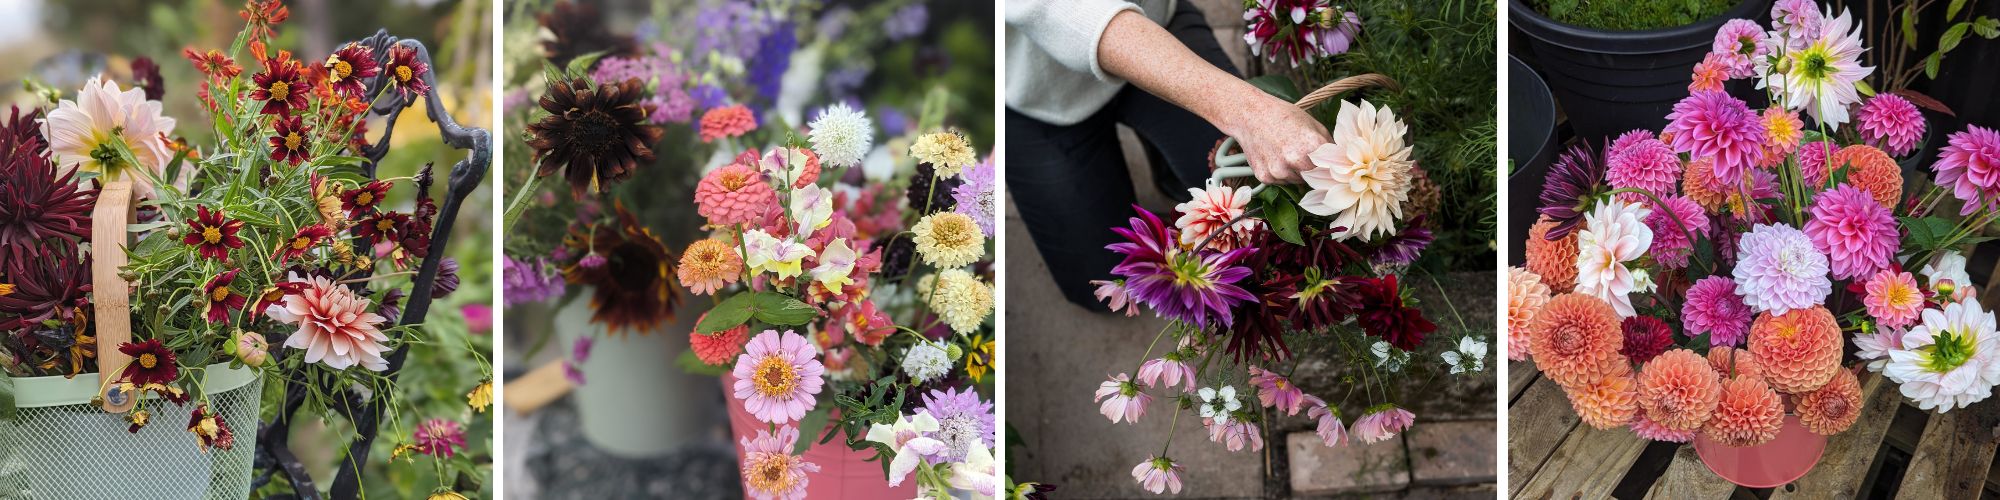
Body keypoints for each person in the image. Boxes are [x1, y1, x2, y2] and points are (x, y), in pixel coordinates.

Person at [1006, 0, 1332, 310]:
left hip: (1154, 23)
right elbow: (1064, 11)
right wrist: (1252, 113)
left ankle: (1166, 161)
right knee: (1106, 284)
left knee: (1254, 221)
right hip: (1034, 86)